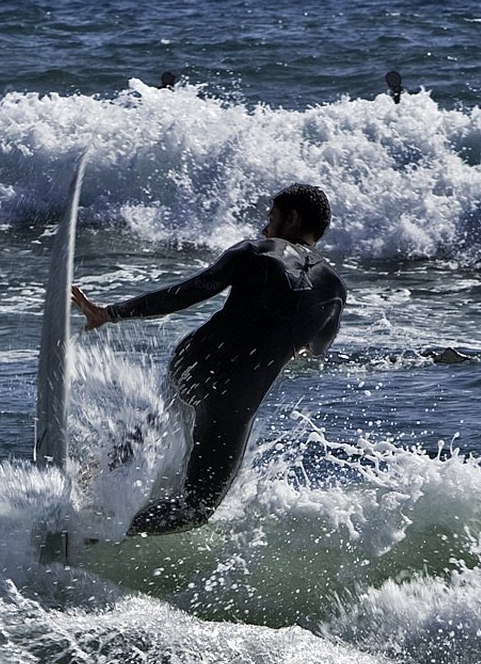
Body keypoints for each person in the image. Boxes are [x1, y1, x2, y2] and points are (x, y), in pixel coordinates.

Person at [71, 183, 346, 534]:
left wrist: (109, 313)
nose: (265, 226)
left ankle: (99, 468)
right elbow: (316, 347)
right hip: (236, 397)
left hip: (195, 362)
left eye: (271, 217)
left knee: (168, 413)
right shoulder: (335, 290)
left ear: (291, 218)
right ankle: (104, 536)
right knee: (196, 508)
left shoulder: (256, 251)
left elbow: (186, 293)